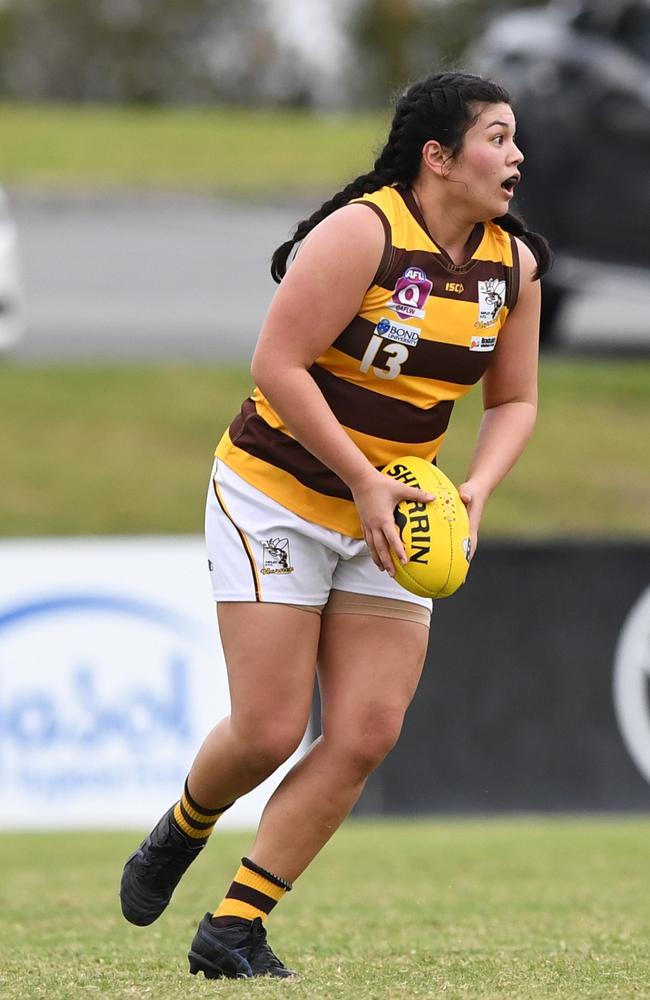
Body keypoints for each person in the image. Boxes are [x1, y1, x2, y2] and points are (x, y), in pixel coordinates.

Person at [120, 70, 551, 979]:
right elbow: (276, 363)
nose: (516, 157)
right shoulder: (363, 233)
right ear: (438, 156)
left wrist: (474, 489)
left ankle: (233, 926)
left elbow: (513, 399)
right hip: (276, 491)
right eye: (498, 138)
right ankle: (184, 825)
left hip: (394, 511)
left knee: (365, 731)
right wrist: (358, 477)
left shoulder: (512, 265)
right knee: (271, 729)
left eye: (516, 140)